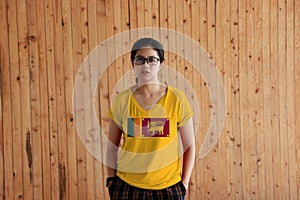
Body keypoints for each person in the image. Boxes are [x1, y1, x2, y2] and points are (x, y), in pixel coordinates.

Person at [106, 37, 195, 200]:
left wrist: (184, 184)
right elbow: (112, 146)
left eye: (152, 60)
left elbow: (189, 146)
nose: (146, 65)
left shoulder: (177, 99)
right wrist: (111, 181)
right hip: (127, 187)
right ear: (133, 64)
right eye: (140, 59)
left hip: (168, 188)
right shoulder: (122, 100)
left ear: (161, 63)